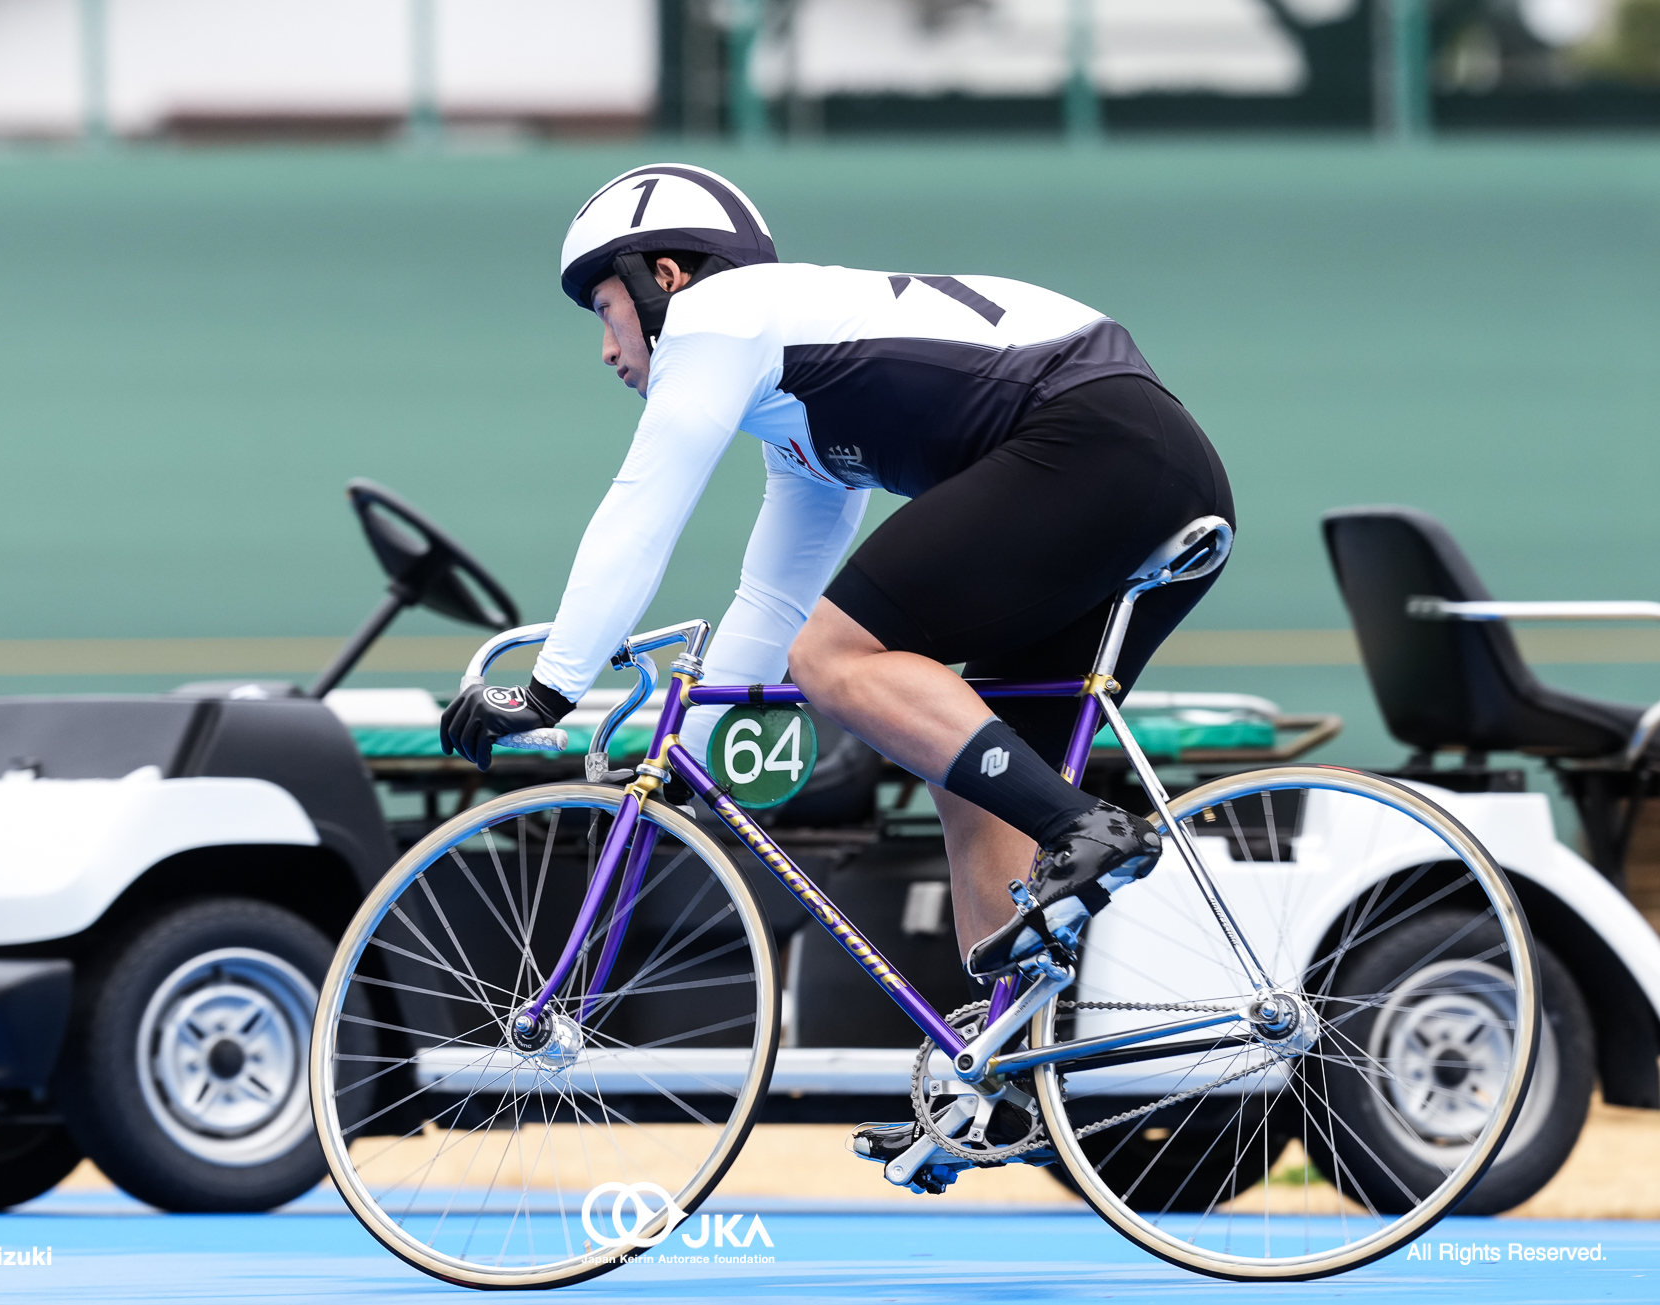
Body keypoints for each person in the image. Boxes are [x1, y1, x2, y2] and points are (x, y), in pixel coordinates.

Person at [440, 160, 1233, 1062]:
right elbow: (769, 602)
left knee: (835, 657)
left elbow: (643, 503)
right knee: (962, 760)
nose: (608, 350)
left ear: (664, 276)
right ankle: (996, 1071)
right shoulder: (805, 422)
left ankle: (1085, 827)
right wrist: (683, 776)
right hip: (1151, 465)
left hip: (1094, 439)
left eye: (604, 310)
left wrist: (549, 688)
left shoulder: (717, 315)